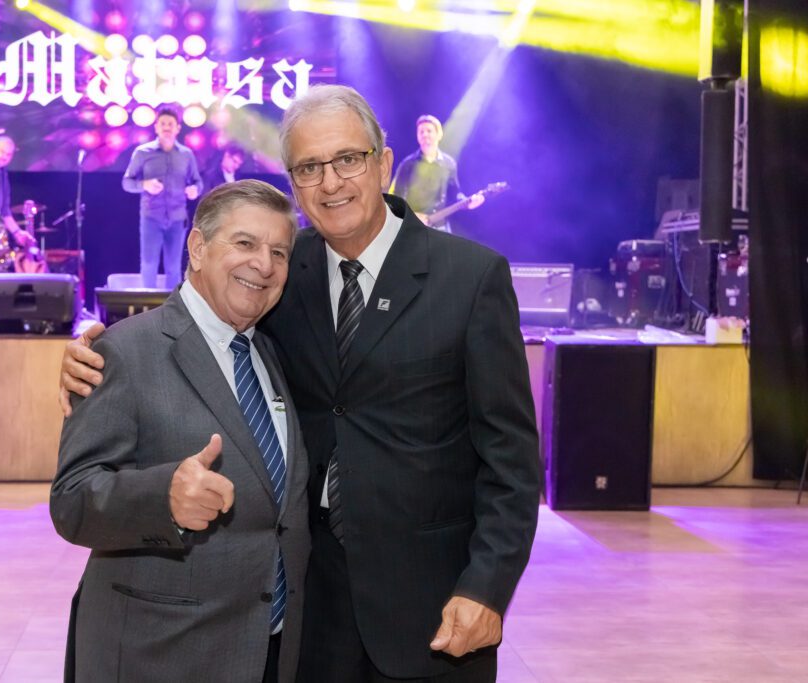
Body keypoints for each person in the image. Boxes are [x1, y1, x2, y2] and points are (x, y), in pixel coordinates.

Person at [61, 85, 541, 682]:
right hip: (309, 614)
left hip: (435, 607)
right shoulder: (283, 270)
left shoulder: (470, 278)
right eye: (309, 167)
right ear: (294, 183)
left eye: (348, 159)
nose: (331, 182)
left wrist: (488, 586)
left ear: (384, 164)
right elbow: (197, 321)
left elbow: (511, 459)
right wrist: (99, 348)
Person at [51, 180, 311, 682]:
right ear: (196, 247)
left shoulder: (271, 352)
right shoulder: (123, 350)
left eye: (279, 252)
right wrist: (162, 499)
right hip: (161, 655)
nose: (264, 264)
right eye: (245, 242)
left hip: (268, 653)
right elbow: (72, 501)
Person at [122, 106, 203, 289]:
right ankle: (147, 305)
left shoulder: (186, 154)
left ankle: (173, 306)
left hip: (177, 218)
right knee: (149, 264)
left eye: (170, 124)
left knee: (174, 267)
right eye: (163, 123)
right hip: (151, 217)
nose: (167, 127)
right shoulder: (143, 152)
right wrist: (144, 184)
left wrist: (194, 190)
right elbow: (127, 182)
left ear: (178, 128)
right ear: (156, 127)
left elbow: (197, 182)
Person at [391, 114, 483, 232]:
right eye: (421, 131)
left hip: (440, 227)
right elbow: (395, 199)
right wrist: (412, 216)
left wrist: (468, 202)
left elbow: (455, 194)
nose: (425, 134)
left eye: (429, 131)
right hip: (414, 226)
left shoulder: (449, 164)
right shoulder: (407, 164)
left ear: (438, 134)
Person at [0, 135, 32, 250]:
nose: (5, 157)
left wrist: (17, 232)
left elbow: (4, 211)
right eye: (2, 152)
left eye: (9, 154)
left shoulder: (3, 172)